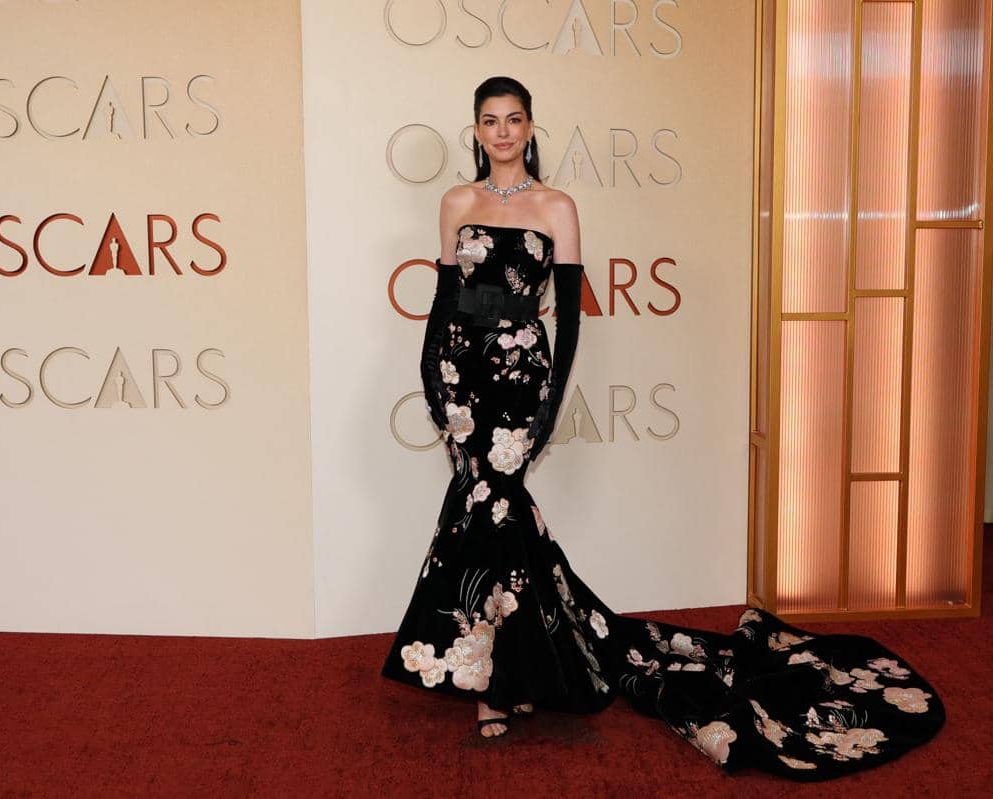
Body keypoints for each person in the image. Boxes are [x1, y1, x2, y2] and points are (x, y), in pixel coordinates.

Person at [381, 76, 945, 780]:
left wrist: (551, 404)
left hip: (523, 376)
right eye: (489, 121)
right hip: (462, 376)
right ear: (474, 130)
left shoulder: (556, 206)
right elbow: (443, 301)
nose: (501, 132)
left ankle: (497, 682)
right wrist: (432, 380)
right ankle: (519, 669)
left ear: (530, 127)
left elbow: (570, 314)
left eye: (514, 119)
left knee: (492, 513)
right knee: (491, 515)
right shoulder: (456, 203)